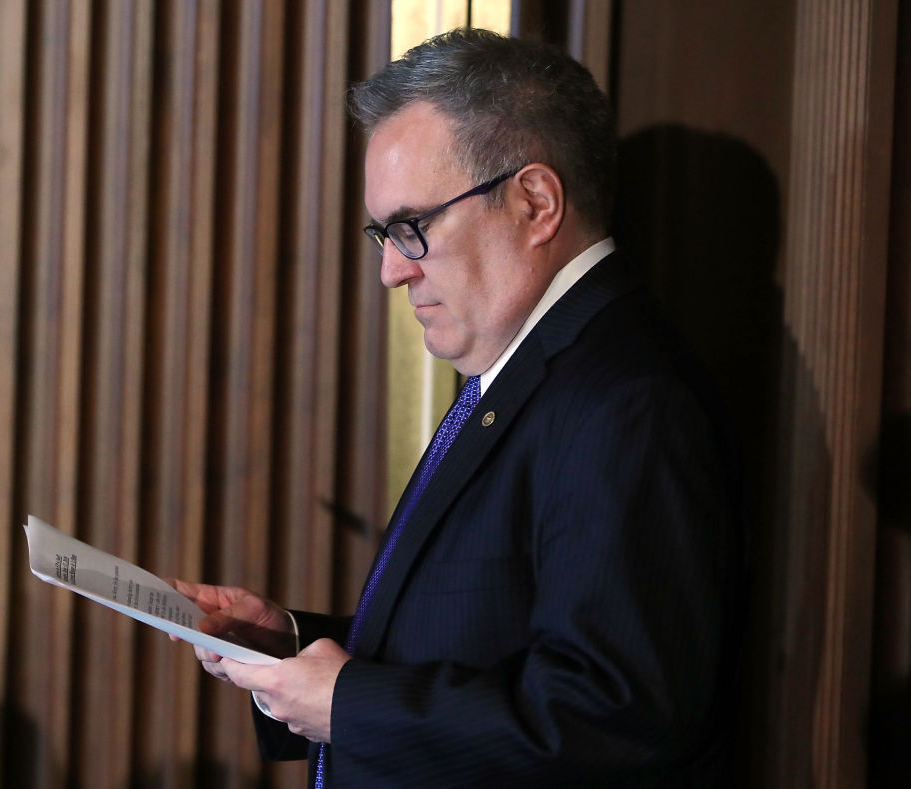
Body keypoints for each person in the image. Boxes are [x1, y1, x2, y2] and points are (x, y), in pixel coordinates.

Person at [171, 28, 744, 787]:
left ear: (535, 202)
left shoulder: (622, 401)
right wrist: (293, 648)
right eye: (382, 232)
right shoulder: (530, 371)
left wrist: (352, 705)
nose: (391, 270)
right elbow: (489, 645)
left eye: (413, 226)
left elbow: (612, 714)